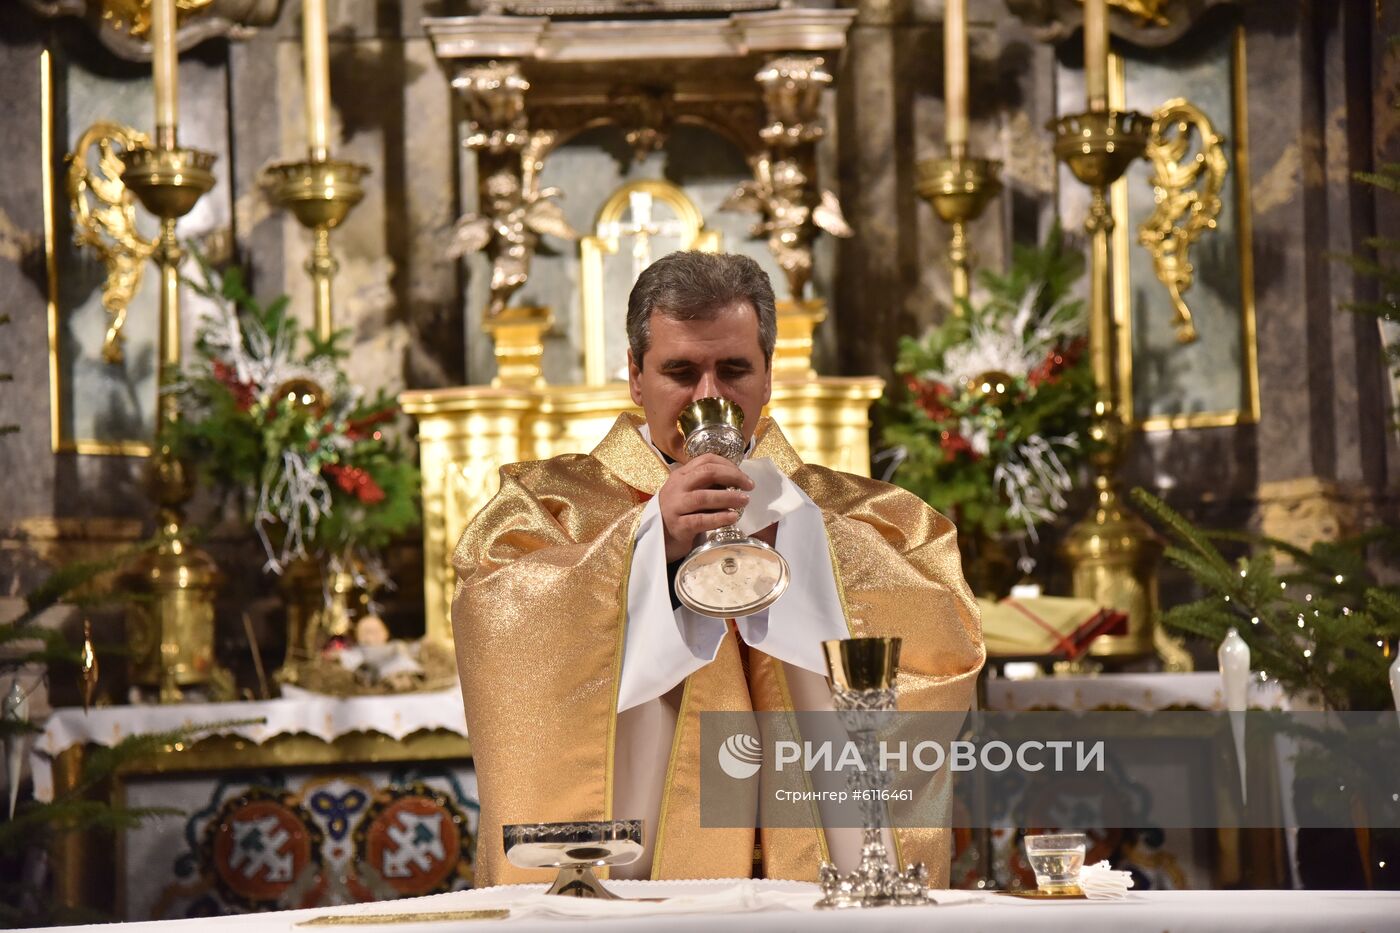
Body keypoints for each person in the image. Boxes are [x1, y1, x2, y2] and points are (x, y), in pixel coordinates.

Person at [451, 251, 984, 887]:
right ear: (635, 378)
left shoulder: (872, 518)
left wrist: (807, 540)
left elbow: (949, 639)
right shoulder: (547, 508)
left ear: (767, 377)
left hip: (812, 894)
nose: (710, 399)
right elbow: (496, 620)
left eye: (733, 370)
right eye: (681, 371)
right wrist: (648, 545)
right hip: (634, 901)